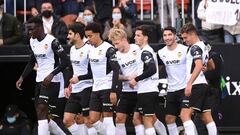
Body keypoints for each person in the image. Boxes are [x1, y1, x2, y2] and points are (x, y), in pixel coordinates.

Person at [15, 16, 70, 135]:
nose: (29, 33)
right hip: (39, 80)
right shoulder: (32, 41)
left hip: (53, 81)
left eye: (32, 29)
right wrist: (22, 77)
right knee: (46, 116)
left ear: (40, 28)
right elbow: (32, 61)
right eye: (28, 30)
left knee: (41, 110)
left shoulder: (52, 41)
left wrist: (51, 75)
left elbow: (66, 61)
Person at [180, 23, 217, 135]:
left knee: (184, 115)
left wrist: (189, 83)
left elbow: (199, 65)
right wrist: (204, 68)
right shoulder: (204, 46)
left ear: (192, 34)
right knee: (206, 117)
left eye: (185, 37)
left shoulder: (195, 47)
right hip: (203, 85)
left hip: (196, 85)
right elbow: (212, 66)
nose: (184, 40)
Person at [84, 22, 119, 135]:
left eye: (90, 36)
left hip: (107, 87)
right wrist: (77, 78)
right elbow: (91, 72)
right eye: (87, 36)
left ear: (98, 34)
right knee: (93, 120)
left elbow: (116, 70)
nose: (88, 39)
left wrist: (113, 90)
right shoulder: (90, 49)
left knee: (108, 119)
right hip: (95, 88)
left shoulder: (109, 49)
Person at [129, 25, 164, 135]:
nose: (135, 38)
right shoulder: (144, 51)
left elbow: (152, 69)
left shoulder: (146, 52)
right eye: (135, 35)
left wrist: (136, 79)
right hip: (146, 90)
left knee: (147, 121)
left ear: (146, 38)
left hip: (147, 91)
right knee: (145, 119)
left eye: (138, 35)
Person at [63, 22, 97, 135]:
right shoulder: (72, 49)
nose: (68, 36)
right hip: (75, 90)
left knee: (88, 121)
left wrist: (79, 78)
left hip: (87, 88)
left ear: (77, 35)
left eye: (70, 34)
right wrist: (67, 86)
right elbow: (72, 69)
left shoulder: (89, 49)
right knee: (67, 120)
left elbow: (94, 72)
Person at [157, 26, 188, 135]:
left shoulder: (185, 49)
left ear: (175, 36)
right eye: (165, 35)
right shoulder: (161, 53)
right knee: (169, 119)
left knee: (186, 117)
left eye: (170, 35)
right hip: (171, 90)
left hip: (185, 88)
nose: (167, 38)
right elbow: (156, 69)